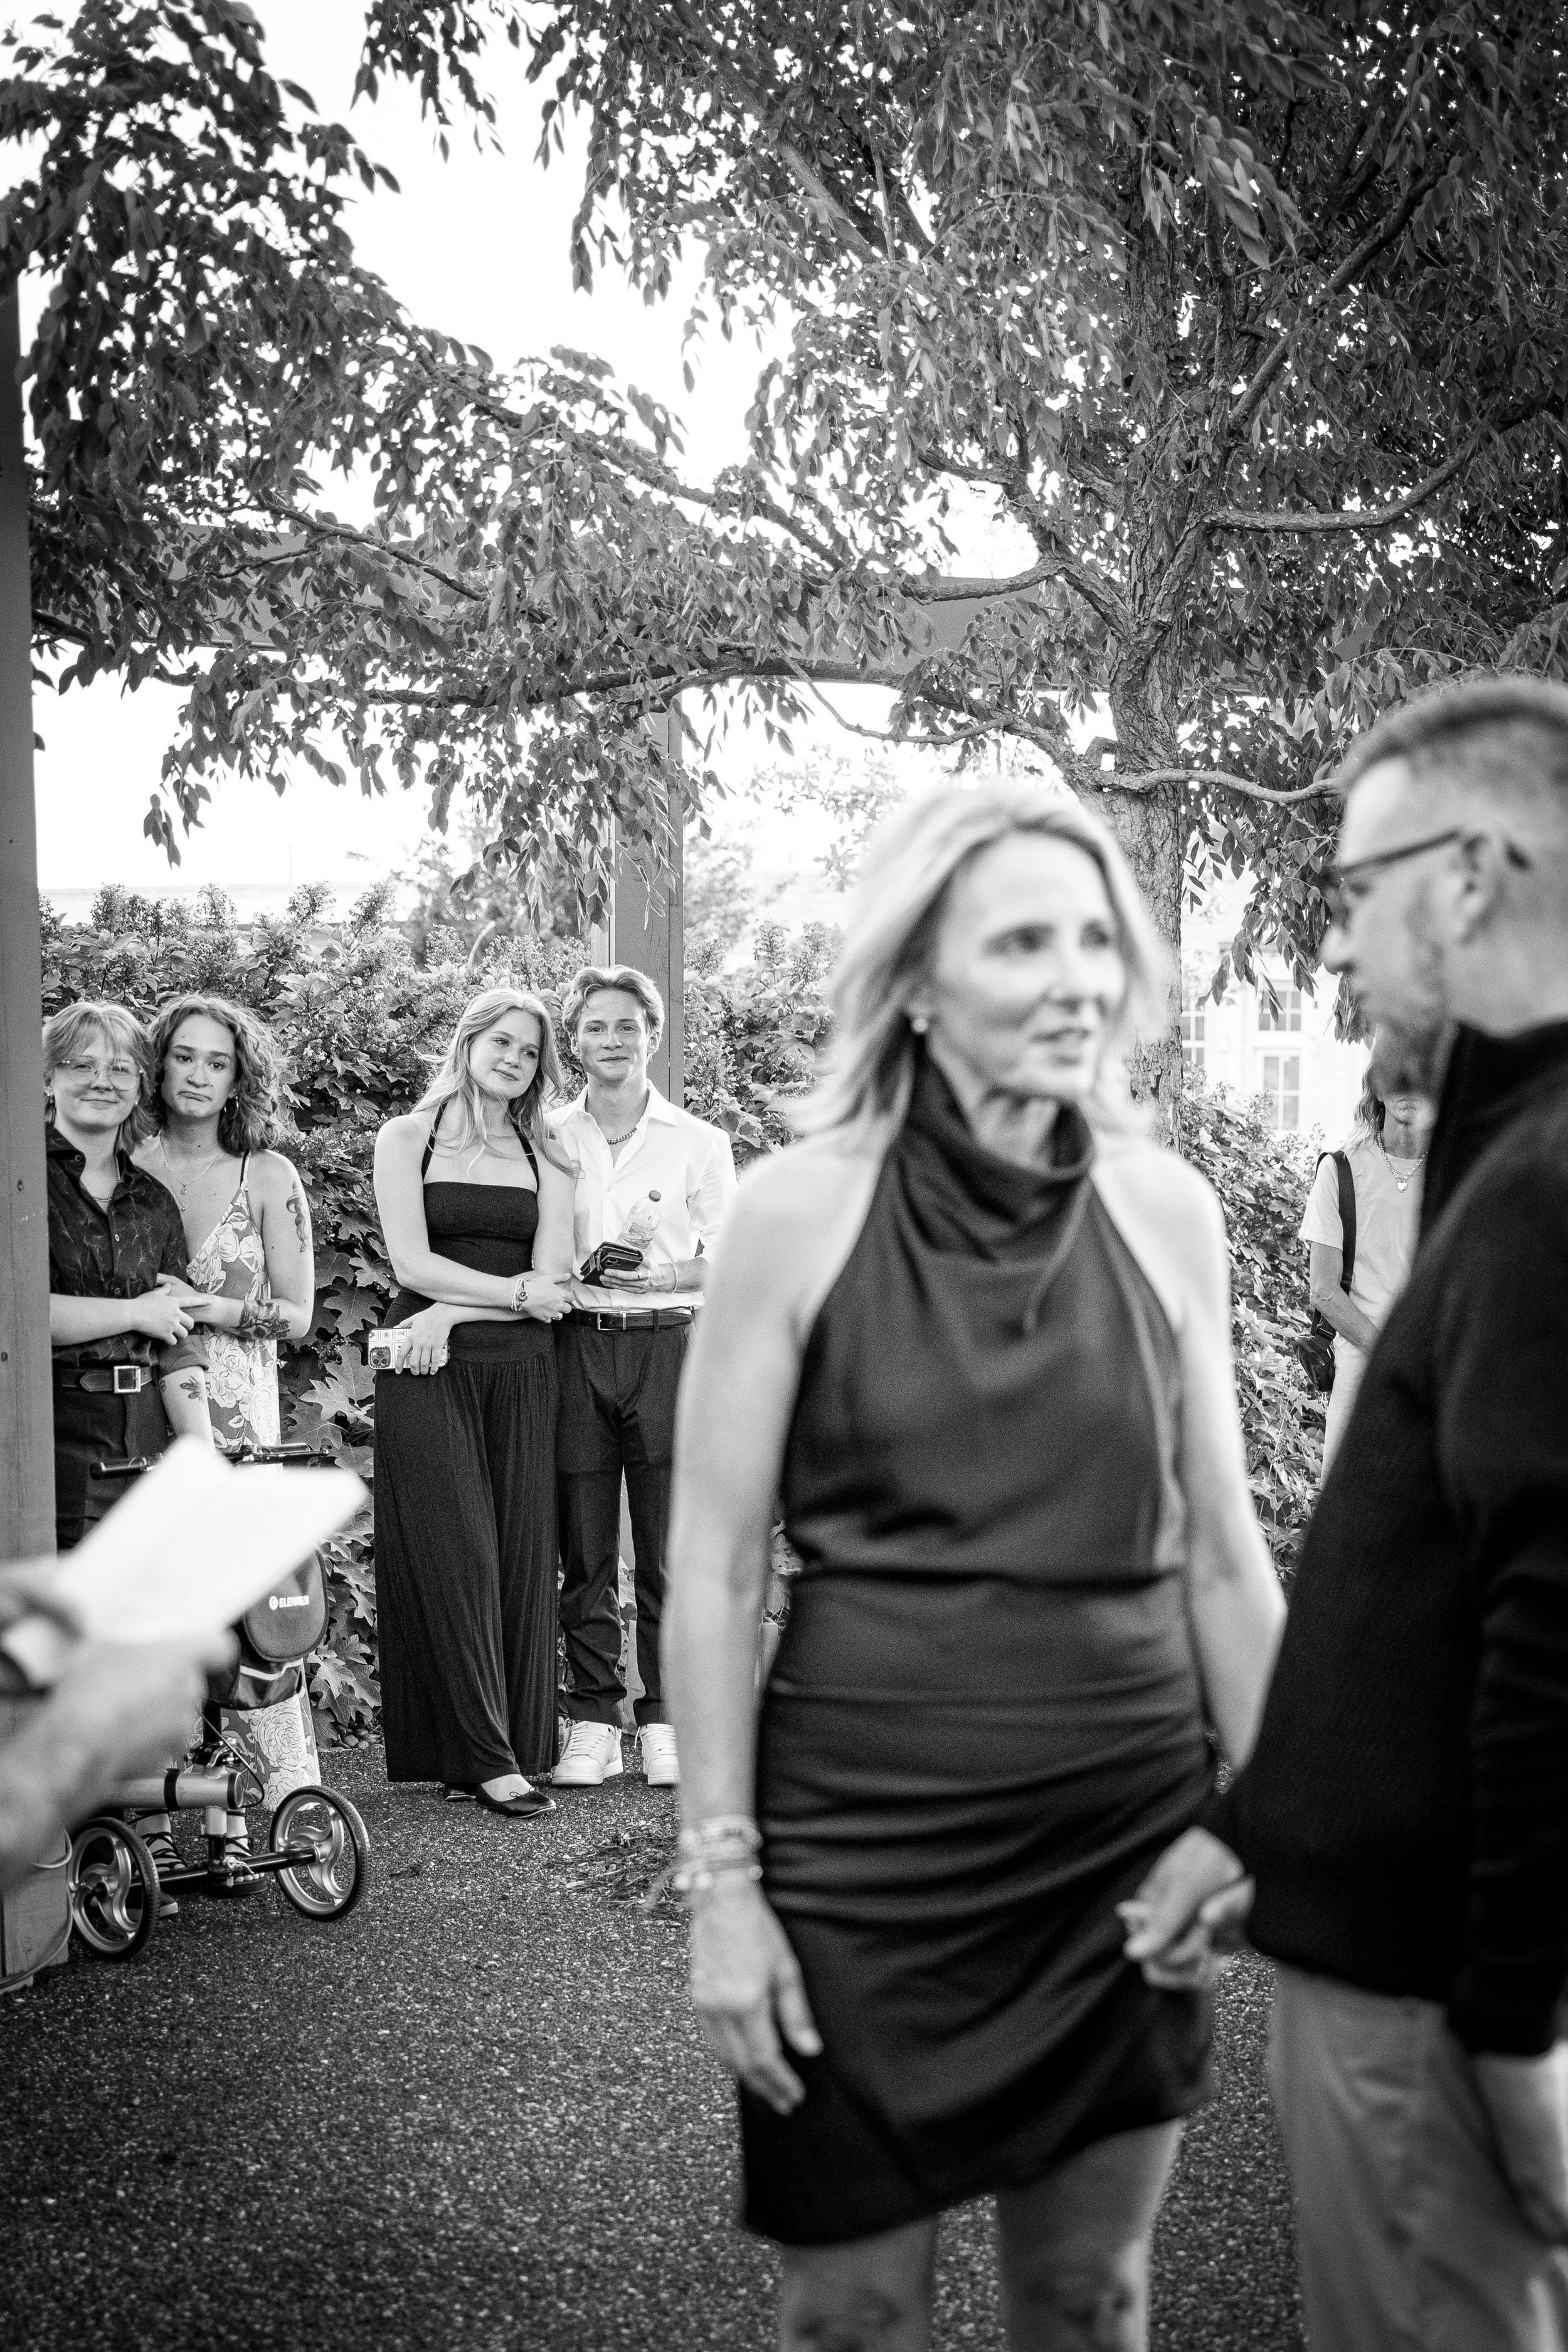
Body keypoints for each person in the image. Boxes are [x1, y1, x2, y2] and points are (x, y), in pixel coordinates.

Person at [661, 780, 1286, 2351]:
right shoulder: (792, 1213)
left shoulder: (1168, 1211)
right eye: (1023, 940)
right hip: (863, 1856)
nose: (1076, 974)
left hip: (1118, 1842)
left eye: (1096, 936)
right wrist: (721, 1885)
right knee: (847, 2311)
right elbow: (716, 1570)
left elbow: (1225, 1555)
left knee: (1091, 2297)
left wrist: (1258, 1816)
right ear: (918, 979)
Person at [1127, 675, 1568, 2352]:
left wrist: (1510, 2030)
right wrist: (1262, 1822)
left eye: (1356, 888)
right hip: (1396, 1963)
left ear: (1467, 877)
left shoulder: (1541, 1179)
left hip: (1433, 2005)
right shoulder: (1498, 1152)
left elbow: (1551, 1623)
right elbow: (1420, 1602)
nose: (1330, 946)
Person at [372, 987, 574, 1820]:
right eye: (503, 1042)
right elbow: (412, 1263)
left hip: (520, 1366)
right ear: (468, 1041)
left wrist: (458, 1309)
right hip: (425, 1369)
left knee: (520, 1554)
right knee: (456, 1550)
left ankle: (494, 1748)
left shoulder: (545, 1150)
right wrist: (495, 1296)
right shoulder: (406, 1138)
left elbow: (555, 1280)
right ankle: (488, 1759)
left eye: (530, 1051)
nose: (515, 1060)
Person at [45, 999, 215, 1914]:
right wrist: (132, 1314)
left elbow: (182, 1343)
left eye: (119, 1067)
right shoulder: (22, 1181)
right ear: (51, 1077)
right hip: (58, 1434)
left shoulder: (154, 1201)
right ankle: (65, 1860)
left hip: (146, 1430)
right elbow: (24, 1312)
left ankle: (136, 1841)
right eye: (85, 1064)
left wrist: (203, 1460)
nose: (104, 1080)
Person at [549, 965, 738, 1793]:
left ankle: (663, 1717)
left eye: (628, 1025)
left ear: (652, 1036)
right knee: (584, 1547)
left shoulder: (698, 1141)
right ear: (577, 1040)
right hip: (576, 1348)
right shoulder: (549, 1135)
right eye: (596, 1026)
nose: (612, 1040)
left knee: (666, 1547)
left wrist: (662, 1280)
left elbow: (731, 1261)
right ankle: (593, 1718)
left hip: (666, 1346)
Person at [133, 993, 315, 1449]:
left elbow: (297, 1315)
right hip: (132, 1420)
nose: (197, 1076)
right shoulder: (125, 1167)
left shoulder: (269, 1176)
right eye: (183, 1057)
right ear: (159, 1066)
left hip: (238, 1429)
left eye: (217, 1064)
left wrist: (204, 1306)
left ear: (237, 1081)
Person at [1300, 1062, 1434, 1473]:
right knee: (1350, 1511)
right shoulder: (1340, 1170)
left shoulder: (1458, 1173)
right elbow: (1323, 1290)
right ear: (1377, 1086)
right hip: (1362, 1365)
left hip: (1435, 1369)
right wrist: (1387, 1354)